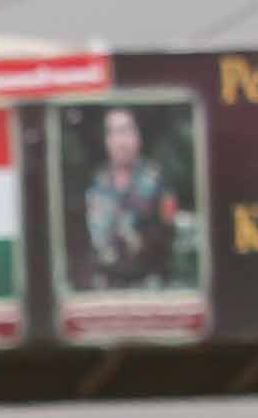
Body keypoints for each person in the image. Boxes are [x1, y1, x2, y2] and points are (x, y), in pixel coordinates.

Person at [65, 102, 183, 291]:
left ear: (138, 136)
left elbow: (167, 237)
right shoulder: (93, 184)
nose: (120, 141)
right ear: (106, 140)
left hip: (149, 287)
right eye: (113, 132)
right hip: (102, 287)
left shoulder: (158, 182)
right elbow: (81, 243)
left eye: (126, 131)